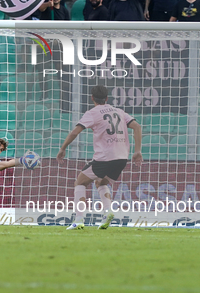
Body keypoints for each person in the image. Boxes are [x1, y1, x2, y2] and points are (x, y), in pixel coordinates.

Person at [57, 85, 143, 230]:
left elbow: (74, 132)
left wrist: (63, 148)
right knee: (101, 183)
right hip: (122, 157)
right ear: (107, 98)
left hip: (105, 157)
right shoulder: (119, 112)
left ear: (92, 98)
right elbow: (137, 126)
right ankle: (108, 212)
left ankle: (78, 219)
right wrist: (137, 151)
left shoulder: (92, 113)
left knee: (80, 183)